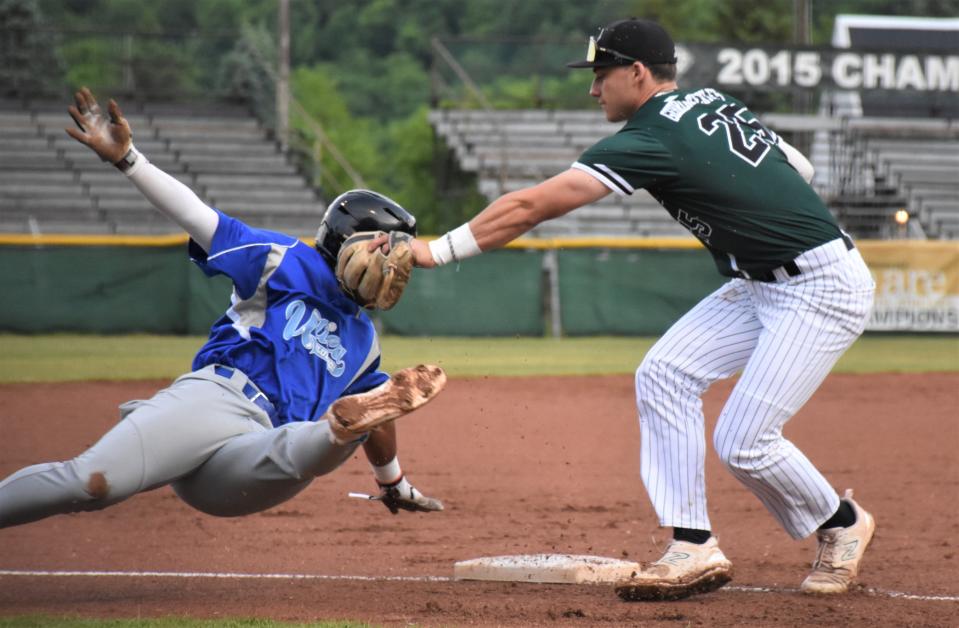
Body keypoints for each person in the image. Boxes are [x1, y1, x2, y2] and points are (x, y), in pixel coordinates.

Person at [404, 19, 877, 600]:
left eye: (602, 74)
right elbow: (799, 168)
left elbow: (530, 207)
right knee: (665, 373)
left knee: (743, 441)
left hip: (819, 287)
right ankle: (692, 545)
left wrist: (434, 250)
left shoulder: (652, 136)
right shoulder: (713, 102)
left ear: (637, 73)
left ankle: (842, 526)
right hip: (760, 282)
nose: (593, 89)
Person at [0, 88, 446, 529]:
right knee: (91, 484)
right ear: (345, 238)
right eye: (387, 251)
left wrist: (393, 482)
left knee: (327, 434)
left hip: (259, 454)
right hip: (215, 401)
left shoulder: (365, 341)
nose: (394, 269)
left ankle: (338, 429)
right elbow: (199, 216)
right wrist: (129, 160)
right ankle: (339, 428)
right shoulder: (283, 259)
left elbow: (381, 420)